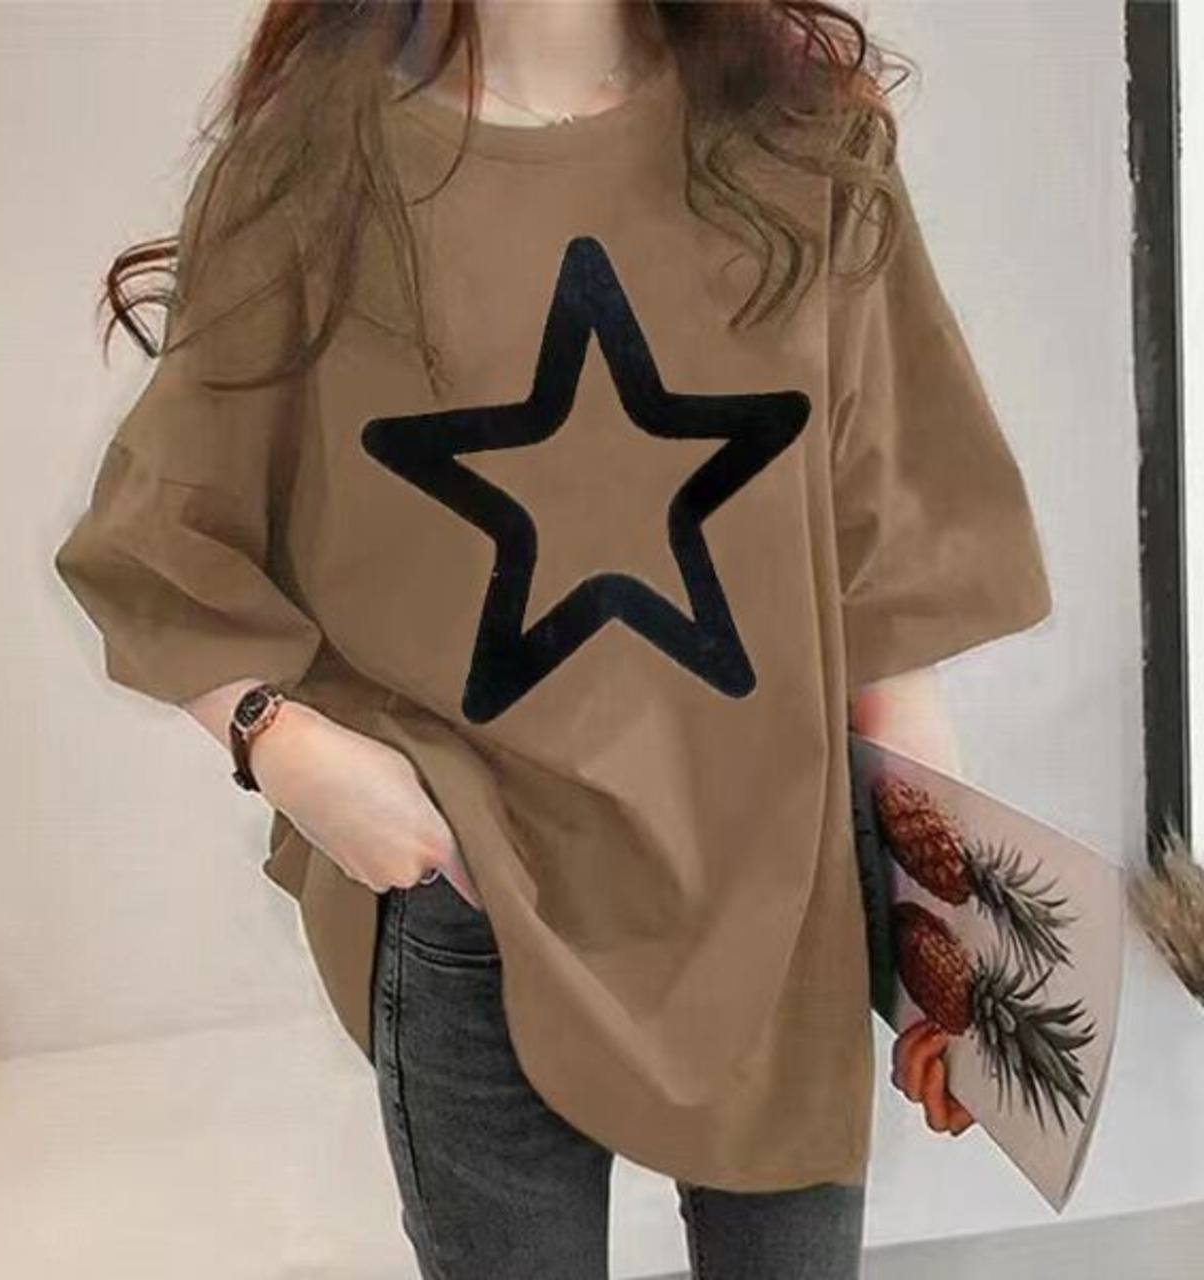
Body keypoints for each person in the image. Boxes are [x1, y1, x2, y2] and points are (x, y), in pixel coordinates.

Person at [53, 3, 1053, 1276]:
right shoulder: (316, 164)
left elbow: (886, 584)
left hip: (772, 887)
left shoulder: (800, 143)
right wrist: (288, 748)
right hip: (472, 887)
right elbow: (162, 534)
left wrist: (941, 927)